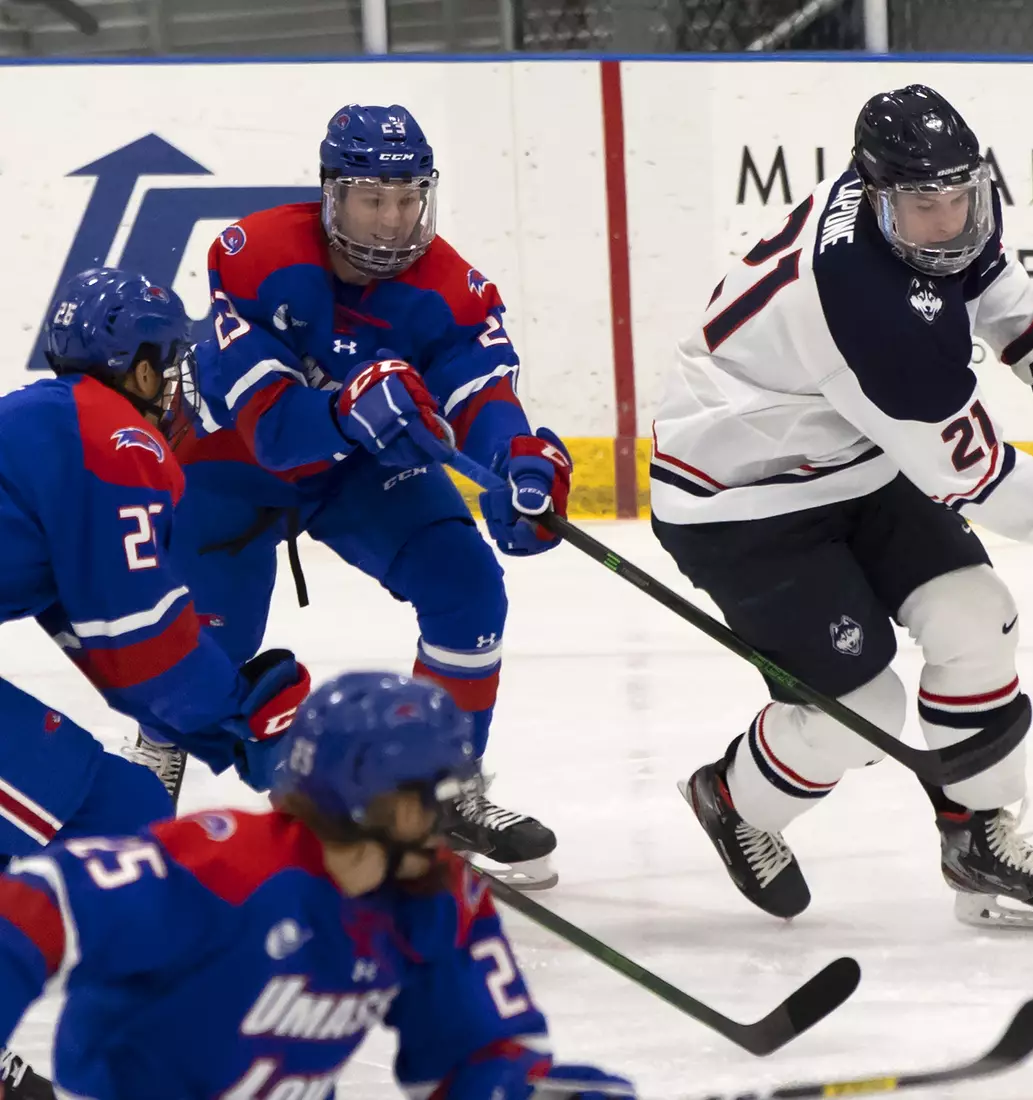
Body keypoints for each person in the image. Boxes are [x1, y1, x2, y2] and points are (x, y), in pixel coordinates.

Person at [654, 85, 1033, 932]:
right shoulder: (861, 306)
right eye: (923, 206)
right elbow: (967, 470)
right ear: (877, 195)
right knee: (861, 716)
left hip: (855, 457)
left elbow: (981, 268)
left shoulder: (914, 203)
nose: (946, 221)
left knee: (978, 616)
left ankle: (979, 836)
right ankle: (736, 800)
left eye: (958, 198)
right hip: (742, 500)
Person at [160, 103, 572, 888]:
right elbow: (274, 432)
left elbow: (481, 395)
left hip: (357, 471)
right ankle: (161, 743)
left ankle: (441, 792)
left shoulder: (450, 286)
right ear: (330, 195)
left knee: (468, 587)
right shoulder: (254, 256)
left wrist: (515, 462)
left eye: (407, 197)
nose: (391, 220)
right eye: (371, 198)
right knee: (205, 662)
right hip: (229, 469)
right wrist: (348, 408)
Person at [0, 672, 634, 1100]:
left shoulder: (435, 899)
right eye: (430, 797)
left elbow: (473, 1055)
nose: (448, 820)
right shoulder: (222, 868)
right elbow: (33, 905)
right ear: (365, 800)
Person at [0, 267, 312, 1087]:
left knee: (121, 812)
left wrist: (229, 726)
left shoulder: (54, 426)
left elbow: (107, 640)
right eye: (168, 364)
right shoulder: (113, 436)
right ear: (135, 367)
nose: (176, 386)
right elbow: (137, 638)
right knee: (39, 807)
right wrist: (244, 720)